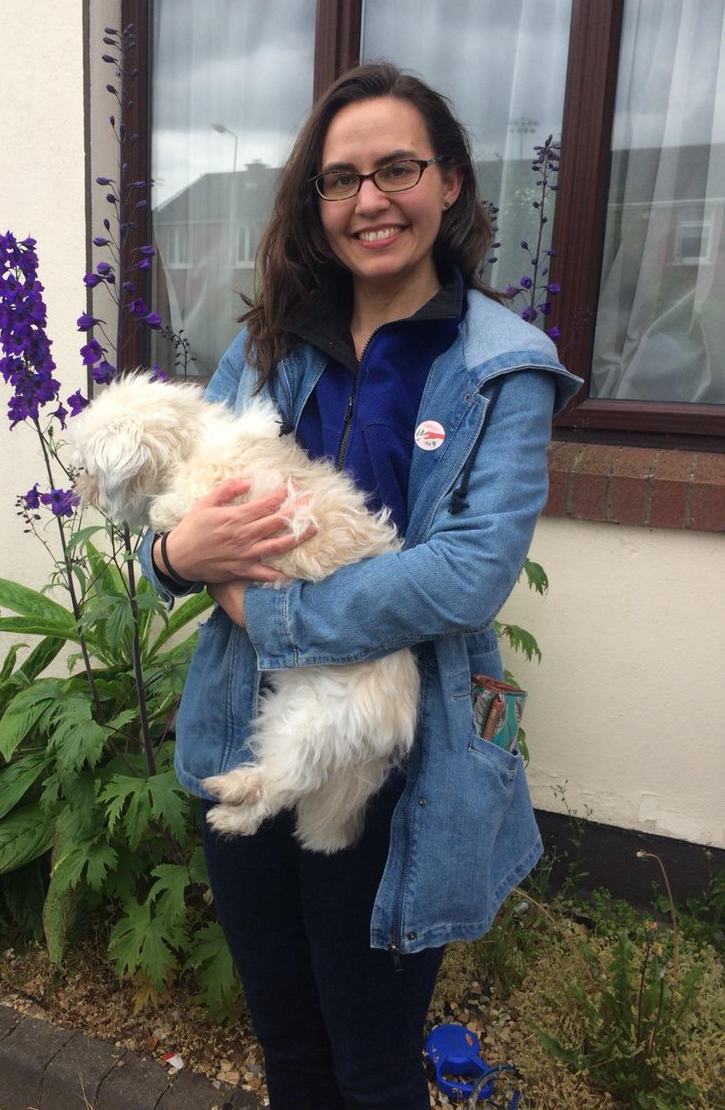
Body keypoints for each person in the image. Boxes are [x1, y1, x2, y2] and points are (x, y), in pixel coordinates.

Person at [138, 62, 581, 1109]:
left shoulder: (504, 368)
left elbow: (468, 573)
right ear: (316, 201)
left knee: (373, 1066)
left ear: (453, 184)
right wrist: (172, 560)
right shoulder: (265, 348)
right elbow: (173, 510)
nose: (369, 200)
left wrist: (271, 613)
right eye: (341, 180)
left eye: (398, 169)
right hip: (242, 738)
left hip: (400, 761)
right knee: (287, 1048)